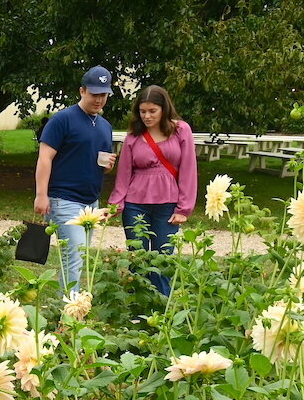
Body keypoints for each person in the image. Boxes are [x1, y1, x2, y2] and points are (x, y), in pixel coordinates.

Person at [28, 65, 116, 289]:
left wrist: (107, 167)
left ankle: (71, 310)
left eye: (103, 94)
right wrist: (41, 195)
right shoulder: (63, 120)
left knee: (81, 258)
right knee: (74, 258)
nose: (99, 100)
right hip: (63, 199)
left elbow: (95, 162)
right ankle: (68, 316)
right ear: (82, 91)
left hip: (91, 201)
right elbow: (45, 158)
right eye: (95, 94)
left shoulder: (105, 126)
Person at [109, 85, 197, 296]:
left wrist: (184, 208)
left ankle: (161, 309)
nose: (147, 116)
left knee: (162, 258)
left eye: (152, 111)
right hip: (135, 204)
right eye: (142, 111)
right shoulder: (134, 136)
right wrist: (116, 204)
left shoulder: (181, 130)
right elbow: (123, 173)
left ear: (164, 109)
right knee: (137, 257)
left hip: (167, 204)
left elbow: (188, 169)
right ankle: (136, 309)